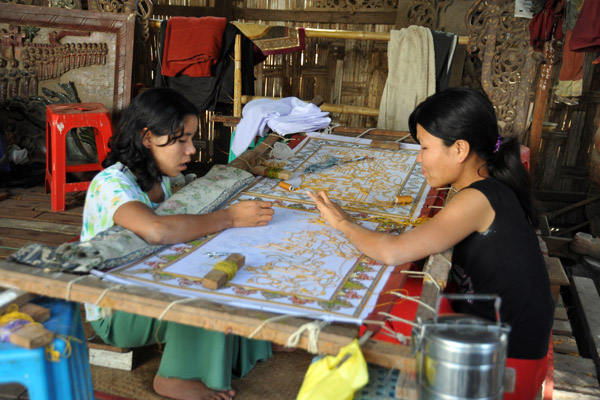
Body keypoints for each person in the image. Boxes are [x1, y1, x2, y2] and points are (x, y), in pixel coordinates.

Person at [308, 87, 554, 399]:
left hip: (506, 369)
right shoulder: (483, 185)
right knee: (398, 297)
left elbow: (392, 252)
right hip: (498, 337)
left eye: (424, 148)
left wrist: (343, 223)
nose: (420, 158)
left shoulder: (478, 199)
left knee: (381, 310)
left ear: (460, 149)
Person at [81, 87, 275, 400]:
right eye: (181, 140)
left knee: (234, 263)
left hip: (145, 289)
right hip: (117, 309)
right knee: (204, 287)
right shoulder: (111, 183)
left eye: (190, 138)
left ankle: (245, 342)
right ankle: (176, 378)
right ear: (147, 138)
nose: (191, 150)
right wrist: (229, 217)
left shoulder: (162, 178)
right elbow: (156, 229)